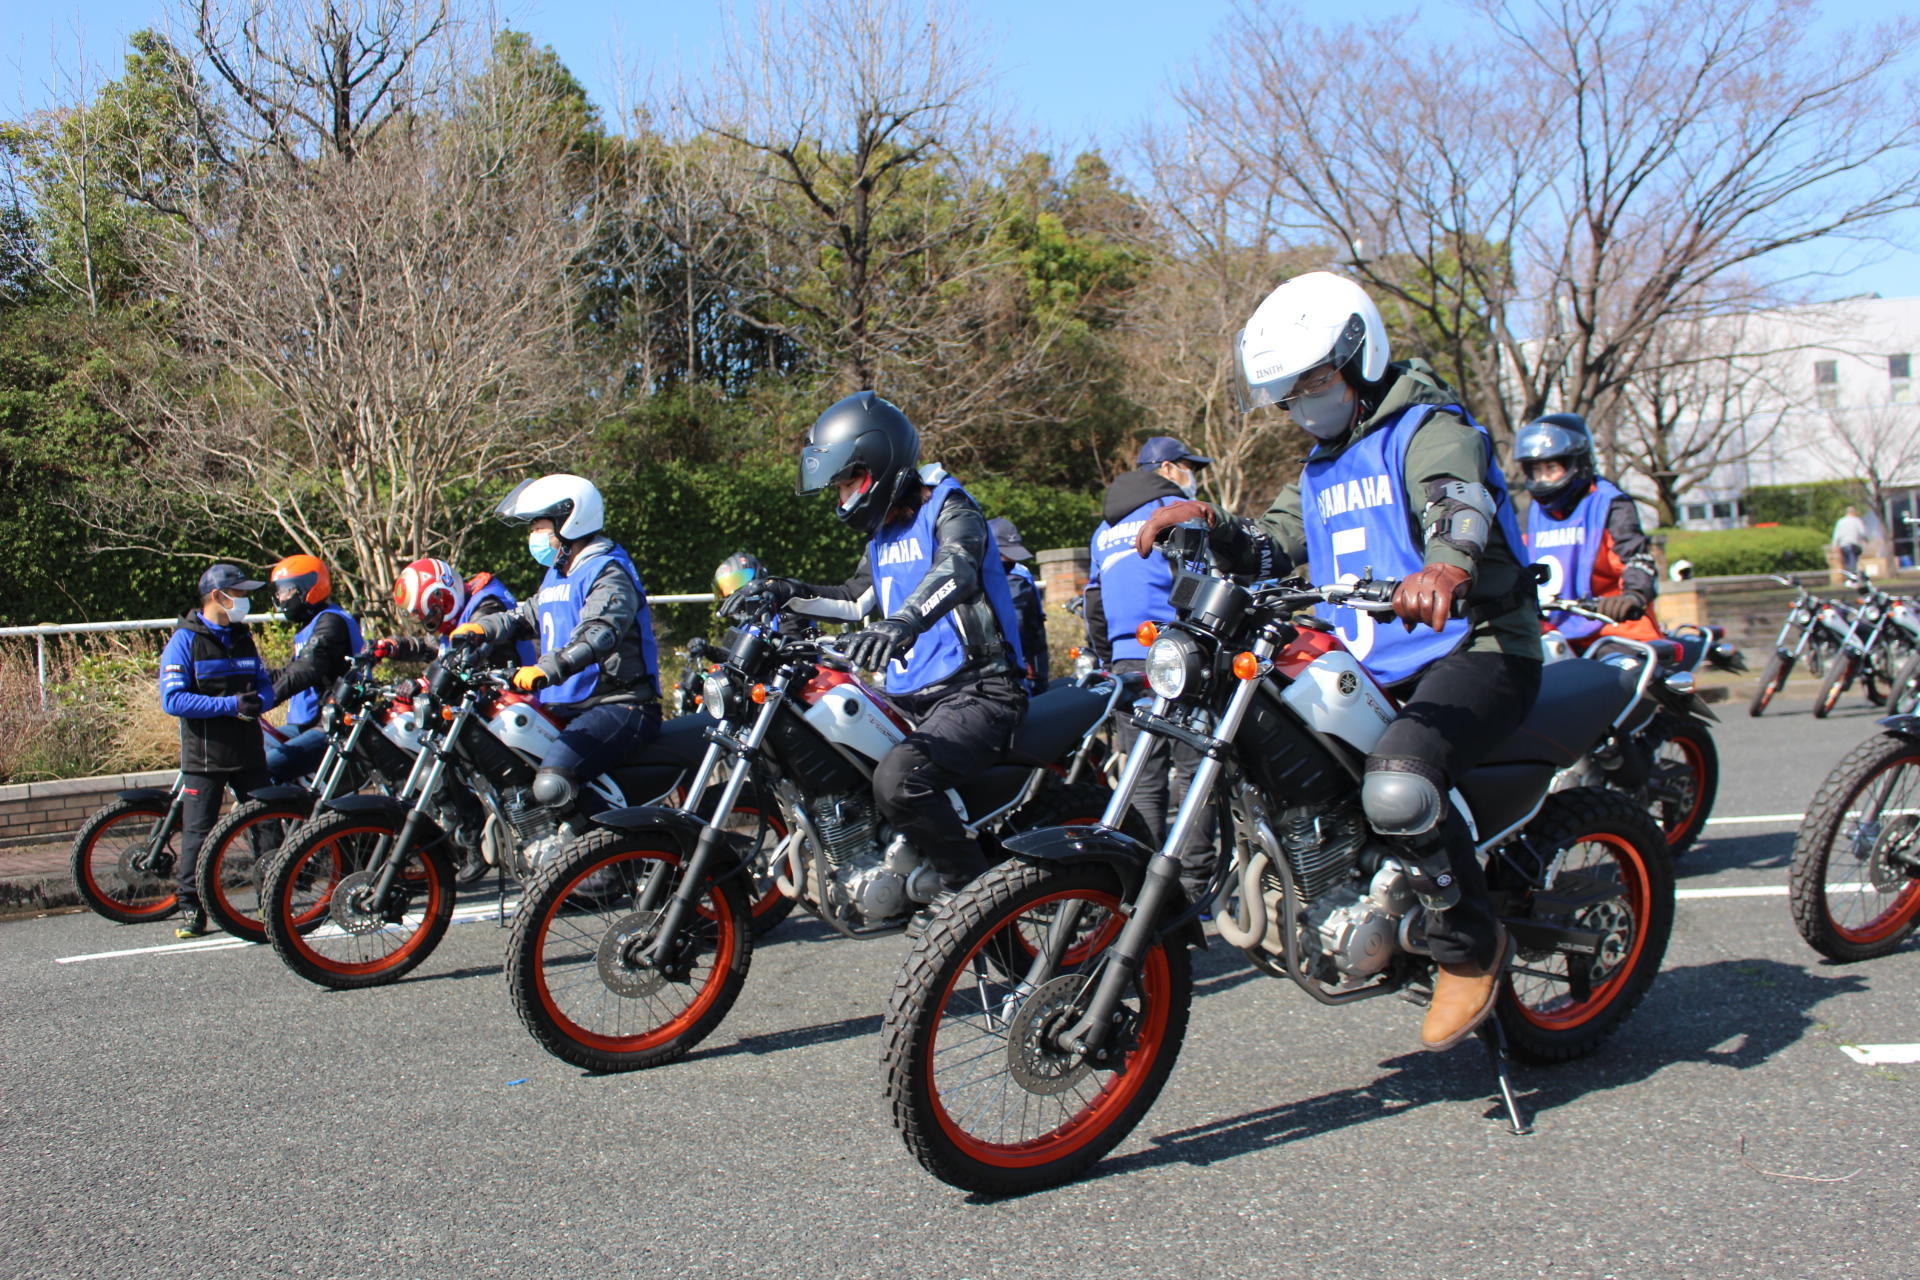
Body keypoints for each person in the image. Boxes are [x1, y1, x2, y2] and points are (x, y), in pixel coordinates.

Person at [1134, 270, 1542, 1052]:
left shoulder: (1430, 427)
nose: (1302, 402)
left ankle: (1469, 946)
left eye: (1313, 381)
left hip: (1478, 645)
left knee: (1397, 783)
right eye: (1290, 392)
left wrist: (1448, 564)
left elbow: (1458, 500)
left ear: (1360, 357)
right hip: (1378, 658)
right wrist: (1211, 523)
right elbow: (1273, 542)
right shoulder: (1322, 468)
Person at [720, 391, 1027, 918]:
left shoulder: (949, 506)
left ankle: (974, 907)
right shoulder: (884, 533)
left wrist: (903, 623)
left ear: (878, 463)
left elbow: (956, 569)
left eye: (847, 483)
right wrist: (782, 590)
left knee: (899, 781)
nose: (841, 499)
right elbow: (856, 599)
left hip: (981, 690)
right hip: (912, 697)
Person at [455, 474, 663, 809]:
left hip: (618, 705)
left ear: (570, 520)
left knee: (554, 782)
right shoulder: (559, 574)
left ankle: (601, 854)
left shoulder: (608, 571)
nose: (533, 536)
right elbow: (523, 616)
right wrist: (482, 629)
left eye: (539, 527)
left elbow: (600, 632)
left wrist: (546, 668)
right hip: (568, 707)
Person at [1085, 436, 1215, 896]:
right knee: (1194, 773)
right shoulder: (1175, 513)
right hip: (1179, 657)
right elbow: (1199, 585)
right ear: (1163, 467)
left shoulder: (1105, 531)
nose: (1191, 473)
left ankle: (1146, 890)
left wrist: (1108, 659)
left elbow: (1094, 605)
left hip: (1126, 662)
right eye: (1186, 464)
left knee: (1144, 778)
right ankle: (1194, 885)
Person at [159, 564, 277, 937]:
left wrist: (262, 700)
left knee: (267, 826)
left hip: (249, 751)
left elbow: (265, 684)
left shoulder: (243, 637)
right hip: (205, 756)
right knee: (197, 834)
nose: (244, 601)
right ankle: (191, 909)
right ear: (217, 596)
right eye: (239, 594)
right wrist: (230, 705)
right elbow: (173, 699)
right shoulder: (184, 640)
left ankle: (272, 901)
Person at [1514, 413, 1662, 650]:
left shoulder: (1609, 506)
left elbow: (1636, 558)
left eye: (1551, 467)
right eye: (1536, 470)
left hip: (1615, 631)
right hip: (1552, 634)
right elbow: (1513, 570)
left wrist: (1632, 596)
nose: (1542, 479)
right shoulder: (1527, 518)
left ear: (1576, 463)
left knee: (1618, 674)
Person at [265, 554, 364, 781]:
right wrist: (246, 680)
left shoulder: (331, 622)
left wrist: (266, 698)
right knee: (250, 755)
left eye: (286, 591)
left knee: (267, 769)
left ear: (308, 588)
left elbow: (307, 669)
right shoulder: (313, 624)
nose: (280, 598)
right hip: (311, 722)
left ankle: (277, 815)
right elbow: (290, 670)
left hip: (333, 723)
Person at [379, 557, 533, 666]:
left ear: (445, 600)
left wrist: (423, 683)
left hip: (518, 697)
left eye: (428, 615)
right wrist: (394, 647)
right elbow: (435, 647)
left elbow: (467, 651)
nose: (428, 622)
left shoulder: (486, 607)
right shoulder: (463, 609)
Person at [988, 516, 1050, 694]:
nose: (1009, 563)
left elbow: (1017, 622)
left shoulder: (1014, 577)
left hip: (1021, 666)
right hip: (1031, 663)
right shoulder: (1021, 571)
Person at [1832, 506, 1868, 576]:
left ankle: (1851, 574)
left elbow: (1836, 535)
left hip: (1844, 545)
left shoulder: (1841, 521)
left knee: (1847, 561)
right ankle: (1853, 574)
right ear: (1854, 512)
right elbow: (1862, 533)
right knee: (1854, 559)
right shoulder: (1857, 520)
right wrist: (1866, 540)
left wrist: (1835, 545)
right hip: (1855, 545)